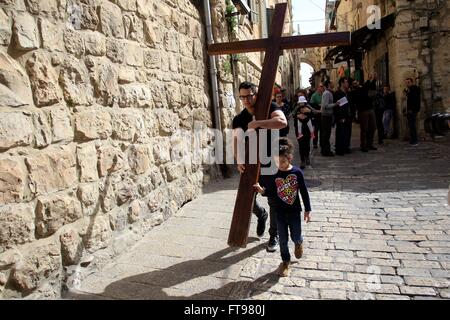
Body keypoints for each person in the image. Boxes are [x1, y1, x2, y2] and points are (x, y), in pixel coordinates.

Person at [232, 81, 288, 252]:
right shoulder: (239, 118)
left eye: (249, 95)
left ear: (255, 94)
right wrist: (239, 159)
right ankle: (261, 215)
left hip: (272, 162)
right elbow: (236, 140)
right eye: (242, 97)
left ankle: (274, 235)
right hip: (251, 164)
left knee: (274, 201)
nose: (246, 100)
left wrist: (258, 123)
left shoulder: (269, 107)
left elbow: (282, 122)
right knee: (248, 200)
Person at [253, 138, 312, 277]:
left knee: (295, 235)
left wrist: (307, 210)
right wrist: (262, 191)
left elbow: (304, 192)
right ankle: (285, 262)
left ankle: (299, 242)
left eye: (283, 162)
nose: (280, 165)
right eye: (277, 162)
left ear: (289, 158)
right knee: (283, 240)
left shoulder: (297, 173)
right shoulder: (275, 174)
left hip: (294, 213)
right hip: (279, 213)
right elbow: (273, 191)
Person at [293, 96, 314, 169]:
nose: (302, 104)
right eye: (300, 103)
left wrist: (309, 112)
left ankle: (307, 157)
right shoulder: (296, 108)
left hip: (307, 129)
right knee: (301, 145)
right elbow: (293, 115)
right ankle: (302, 160)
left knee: (307, 144)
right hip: (299, 130)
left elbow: (313, 115)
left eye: (303, 102)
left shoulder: (308, 108)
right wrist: (298, 115)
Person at [333, 77, 352, 155]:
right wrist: (340, 117)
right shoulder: (338, 93)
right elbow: (337, 107)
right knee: (341, 133)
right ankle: (339, 149)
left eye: (347, 82)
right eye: (346, 82)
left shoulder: (347, 93)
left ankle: (346, 147)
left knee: (347, 132)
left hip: (348, 116)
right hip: (341, 117)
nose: (347, 83)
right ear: (342, 83)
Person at [320, 80, 336, 156]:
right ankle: (326, 151)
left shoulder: (328, 92)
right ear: (329, 84)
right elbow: (325, 106)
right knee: (326, 134)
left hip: (327, 116)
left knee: (326, 134)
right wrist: (335, 104)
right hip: (326, 116)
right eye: (332, 83)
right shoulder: (327, 93)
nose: (334, 83)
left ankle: (325, 150)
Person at [403, 78, 421, 146]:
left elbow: (414, 100)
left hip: (413, 110)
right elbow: (407, 100)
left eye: (408, 82)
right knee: (411, 125)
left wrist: (411, 109)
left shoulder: (414, 89)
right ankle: (412, 139)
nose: (407, 84)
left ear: (412, 82)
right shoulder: (409, 90)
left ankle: (415, 140)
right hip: (409, 110)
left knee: (412, 125)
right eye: (406, 82)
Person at [309, 83, 323, 149]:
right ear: (318, 88)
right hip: (316, 115)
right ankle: (315, 143)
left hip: (322, 114)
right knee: (316, 130)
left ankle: (321, 143)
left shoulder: (323, 94)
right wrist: (318, 106)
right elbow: (311, 104)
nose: (322, 88)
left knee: (322, 130)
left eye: (322, 87)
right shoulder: (314, 95)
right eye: (320, 86)